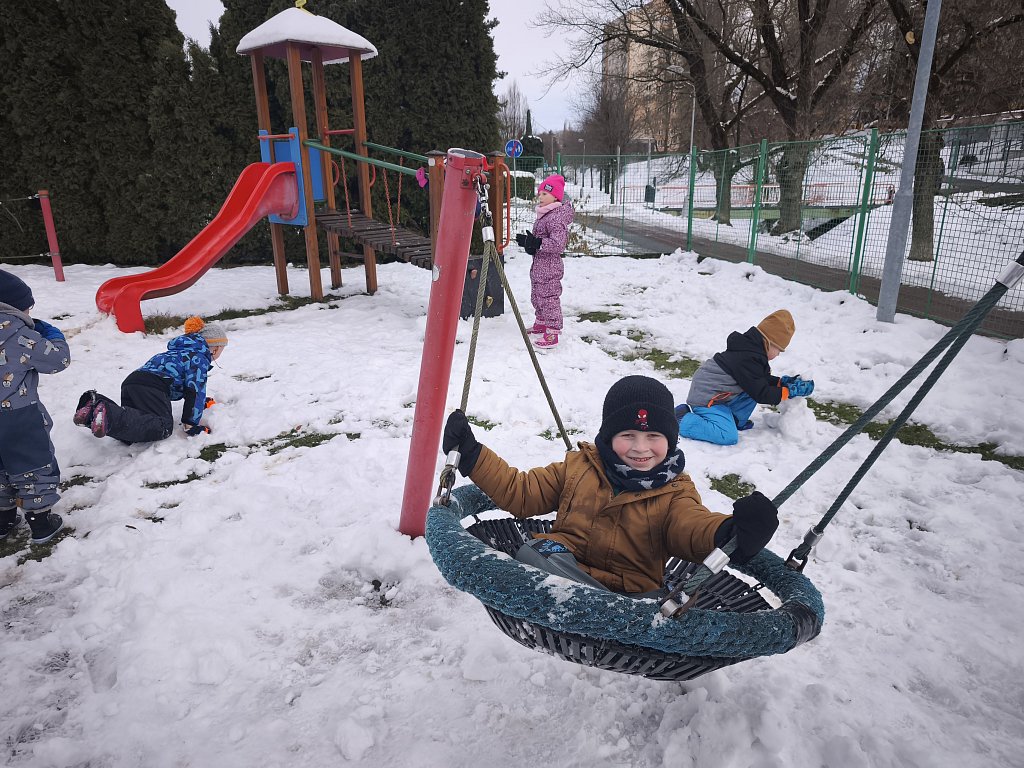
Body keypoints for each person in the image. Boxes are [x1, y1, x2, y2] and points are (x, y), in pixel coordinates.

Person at [441, 374, 779, 595]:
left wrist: (730, 533)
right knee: (533, 551)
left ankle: (597, 611)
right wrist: (472, 456)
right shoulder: (579, 468)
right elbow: (524, 493)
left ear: (671, 440)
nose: (641, 448)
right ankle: (568, 602)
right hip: (565, 569)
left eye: (653, 436)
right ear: (608, 436)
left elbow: (692, 528)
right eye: (627, 435)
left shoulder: (675, 493)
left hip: (629, 596)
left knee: (658, 610)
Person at [73, 316, 227, 444]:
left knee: (132, 427)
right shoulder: (199, 359)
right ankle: (106, 412)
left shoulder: (177, 352)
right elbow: (195, 391)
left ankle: (92, 409)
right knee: (163, 426)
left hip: (132, 382)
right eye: (222, 349)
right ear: (214, 349)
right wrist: (191, 425)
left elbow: (188, 389)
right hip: (154, 386)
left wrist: (201, 403)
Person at [0, 269, 70, 544]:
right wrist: (53, 335)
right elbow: (57, 360)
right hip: (19, 417)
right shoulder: (20, 334)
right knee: (32, 464)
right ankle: (41, 522)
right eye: (28, 307)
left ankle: (3, 519)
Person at [676, 309, 814, 446]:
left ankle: (735, 420)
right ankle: (681, 419)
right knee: (727, 436)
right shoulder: (747, 358)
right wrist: (788, 391)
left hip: (721, 394)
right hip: (707, 398)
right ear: (768, 342)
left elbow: (759, 381)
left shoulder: (752, 353)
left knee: (753, 389)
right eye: (779, 350)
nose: (778, 354)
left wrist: (781, 382)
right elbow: (762, 394)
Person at [515, 174, 575, 349]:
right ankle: (541, 323)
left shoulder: (556, 217)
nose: (540, 197)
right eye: (539, 193)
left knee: (549, 299)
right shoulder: (545, 215)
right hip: (539, 265)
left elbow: (558, 244)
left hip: (550, 267)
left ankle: (553, 332)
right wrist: (529, 244)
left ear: (555, 197)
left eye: (544, 194)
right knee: (537, 296)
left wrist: (537, 243)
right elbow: (540, 240)